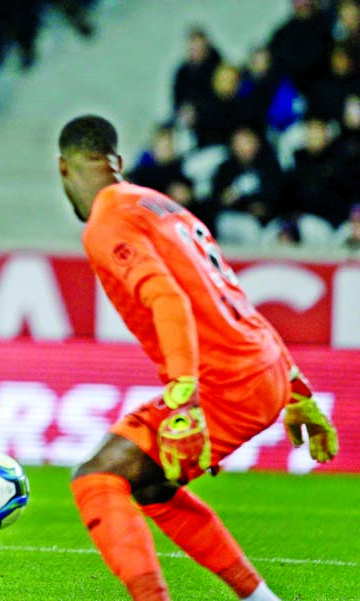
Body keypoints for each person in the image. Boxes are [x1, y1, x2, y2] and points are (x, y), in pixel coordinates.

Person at [56, 115, 339, 601]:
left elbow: (169, 300)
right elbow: (230, 298)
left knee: (96, 477)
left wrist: (183, 396)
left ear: (65, 169)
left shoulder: (108, 220)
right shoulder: (165, 207)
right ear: (116, 161)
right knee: (150, 488)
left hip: (224, 382)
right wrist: (297, 389)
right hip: (263, 366)